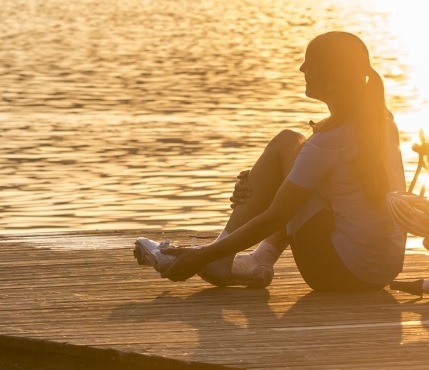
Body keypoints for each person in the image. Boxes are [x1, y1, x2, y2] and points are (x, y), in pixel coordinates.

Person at [135, 32, 406, 294]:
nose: (301, 68)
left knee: (286, 144)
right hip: (382, 270)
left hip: (335, 273)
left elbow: (275, 218)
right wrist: (264, 181)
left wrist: (201, 256)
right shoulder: (381, 122)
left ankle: (220, 258)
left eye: (309, 62)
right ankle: (258, 259)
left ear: (330, 76)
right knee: (292, 152)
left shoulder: (329, 141)